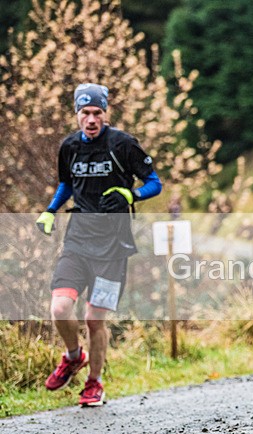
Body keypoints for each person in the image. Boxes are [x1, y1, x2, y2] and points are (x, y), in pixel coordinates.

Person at [35, 83, 162, 406]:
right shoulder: (69, 148)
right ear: (76, 114)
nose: (91, 119)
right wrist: (51, 210)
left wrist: (131, 194)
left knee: (94, 319)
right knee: (60, 307)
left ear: (106, 113)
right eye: (85, 112)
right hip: (77, 239)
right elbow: (67, 183)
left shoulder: (123, 144)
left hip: (114, 246)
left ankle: (94, 382)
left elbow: (154, 183)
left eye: (97, 112)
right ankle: (73, 355)